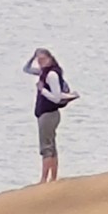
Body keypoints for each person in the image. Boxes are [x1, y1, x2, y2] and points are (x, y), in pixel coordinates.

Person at [23, 48, 68, 184]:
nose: (40, 62)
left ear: (50, 58)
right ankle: (52, 178)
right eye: (39, 60)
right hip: (47, 114)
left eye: (43, 59)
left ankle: (44, 179)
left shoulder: (51, 75)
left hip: (48, 114)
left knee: (46, 147)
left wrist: (42, 90)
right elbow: (26, 69)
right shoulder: (45, 72)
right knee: (51, 146)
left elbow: (56, 97)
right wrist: (32, 57)